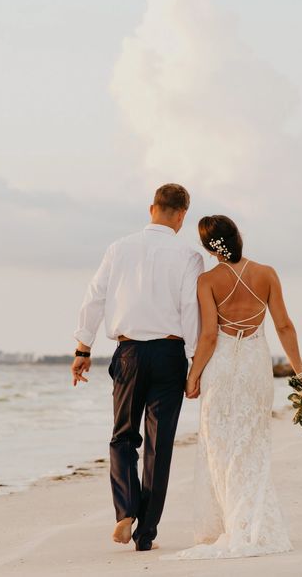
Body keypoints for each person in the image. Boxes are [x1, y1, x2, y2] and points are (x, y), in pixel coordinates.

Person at [168, 214, 302, 560]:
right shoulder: (266, 274)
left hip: (221, 368)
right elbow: (284, 326)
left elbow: (207, 336)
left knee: (220, 446)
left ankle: (230, 524)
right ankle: (252, 522)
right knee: (252, 443)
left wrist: (192, 377)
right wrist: (301, 372)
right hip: (254, 367)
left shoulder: (206, 281)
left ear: (208, 247)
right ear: (238, 237)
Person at [72, 183, 205, 552]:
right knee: (159, 447)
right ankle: (145, 533)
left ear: (152, 209)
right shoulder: (189, 256)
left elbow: (94, 297)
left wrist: (83, 348)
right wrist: (195, 364)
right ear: (182, 215)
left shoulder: (119, 248)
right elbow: (190, 311)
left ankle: (125, 511)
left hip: (128, 352)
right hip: (168, 354)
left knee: (123, 436)